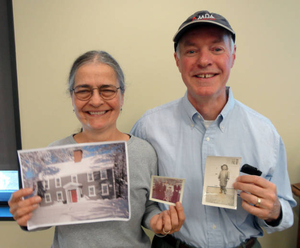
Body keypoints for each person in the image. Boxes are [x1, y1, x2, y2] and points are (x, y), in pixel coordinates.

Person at [131, 10, 296, 248]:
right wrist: (153, 219)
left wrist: (275, 210)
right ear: (178, 61)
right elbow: (140, 201)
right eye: (191, 51)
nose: (204, 61)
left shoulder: (264, 132)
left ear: (233, 55)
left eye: (217, 49)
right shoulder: (149, 128)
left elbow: (286, 213)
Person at [8, 50, 185, 248]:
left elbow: (149, 207)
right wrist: (25, 217)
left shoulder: (145, 152)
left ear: (122, 95)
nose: (95, 101)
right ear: (72, 97)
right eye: (83, 91)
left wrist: (156, 221)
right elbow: (43, 217)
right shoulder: (54, 155)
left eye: (106, 90)